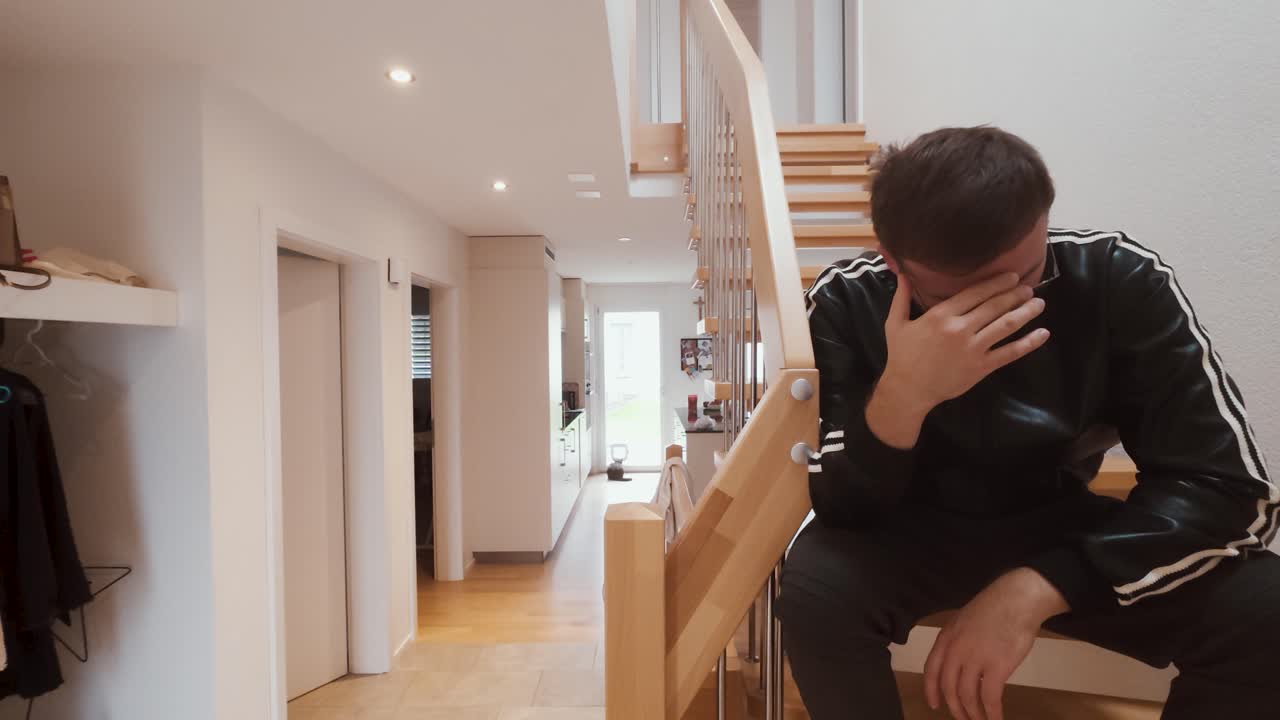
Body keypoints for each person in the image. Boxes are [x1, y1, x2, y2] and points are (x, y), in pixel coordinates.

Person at [777, 126, 1279, 720]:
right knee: (813, 587)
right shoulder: (846, 300)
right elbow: (839, 506)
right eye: (961, 297)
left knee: (1266, 610)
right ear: (893, 262)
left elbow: (1225, 488)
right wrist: (905, 394)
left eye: (1026, 276)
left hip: (1060, 524)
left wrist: (1034, 589)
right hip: (903, 531)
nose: (1004, 306)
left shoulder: (1118, 277)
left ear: (1044, 220)